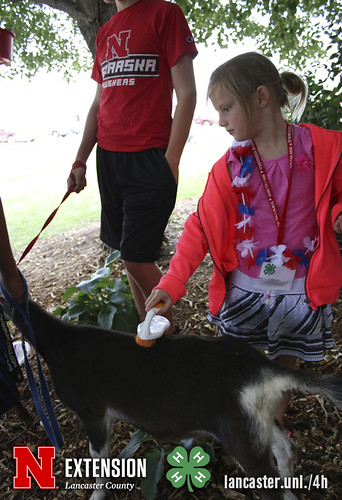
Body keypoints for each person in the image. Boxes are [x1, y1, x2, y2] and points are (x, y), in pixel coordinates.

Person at [146, 52, 342, 427]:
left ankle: (273, 436)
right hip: (247, 291)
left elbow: (337, 194)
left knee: (282, 374)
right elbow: (200, 226)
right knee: (241, 371)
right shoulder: (230, 169)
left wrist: (336, 214)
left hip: (299, 290)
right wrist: (172, 282)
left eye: (227, 108)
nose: (219, 121)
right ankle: (250, 431)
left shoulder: (322, 150)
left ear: (262, 98)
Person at [67, 0, 197, 332]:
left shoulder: (165, 14)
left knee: (135, 257)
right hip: (109, 159)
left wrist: (171, 159)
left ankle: (171, 340)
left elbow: (187, 94)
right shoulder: (106, 31)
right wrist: (81, 159)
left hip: (150, 156)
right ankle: (150, 336)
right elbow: (99, 101)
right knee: (128, 255)